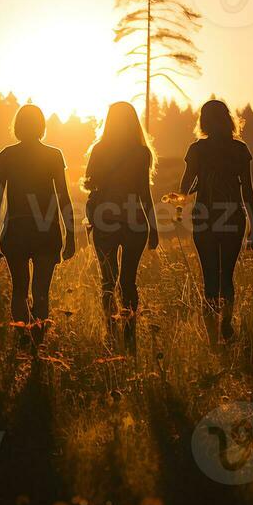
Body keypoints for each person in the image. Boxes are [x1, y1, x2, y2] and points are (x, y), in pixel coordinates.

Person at [0, 104, 75, 343]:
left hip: (16, 230)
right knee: (40, 292)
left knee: (19, 290)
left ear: (18, 126)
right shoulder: (54, 155)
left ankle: (22, 339)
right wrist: (71, 235)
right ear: (41, 126)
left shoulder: (6, 155)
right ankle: (37, 342)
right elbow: (63, 197)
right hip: (47, 231)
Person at [179, 99, 253, 345]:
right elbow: (248, 191)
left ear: (204, 121)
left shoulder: (197, 150)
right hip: (234, 217)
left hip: (205, 217)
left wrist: (181, 203)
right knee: (227, 277)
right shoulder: (239, 149)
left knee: (210, 277)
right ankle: (226, 324)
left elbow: (184, 187)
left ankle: (212, 337)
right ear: (228, 119)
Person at [83, 101, 159, 351]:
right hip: (135, 220)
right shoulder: (141, 153)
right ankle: (129, 338)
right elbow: (144, 192)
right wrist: (154, 227)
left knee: (108, 281)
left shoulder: (99, 150)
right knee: (128, 282)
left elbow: (89, 184)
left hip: (105, 218)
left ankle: (110, 334)